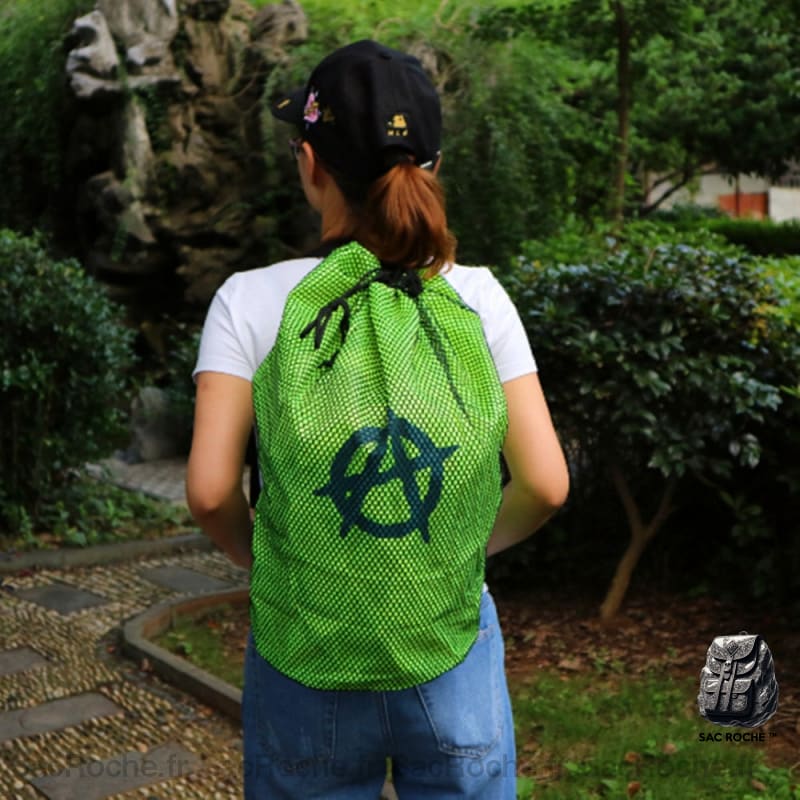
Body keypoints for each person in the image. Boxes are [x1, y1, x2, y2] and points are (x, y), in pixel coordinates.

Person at [186, 39, 569, 800]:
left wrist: (277, 569)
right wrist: (453, 554)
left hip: (304, 646)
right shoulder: (480, 299)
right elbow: (547, 485)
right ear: (429, 166)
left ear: (310, 162)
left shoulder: (250, 302)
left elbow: (208, 492)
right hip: (448, 643)